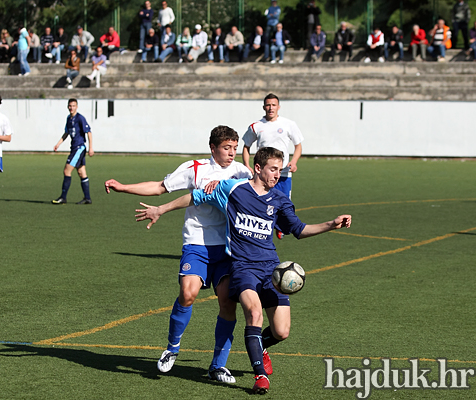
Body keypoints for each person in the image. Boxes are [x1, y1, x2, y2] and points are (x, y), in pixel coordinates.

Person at [134, 146, 352, 395]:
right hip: (242, 268)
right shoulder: (233, 189)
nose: (277, 176)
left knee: (281, 331)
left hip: (271, 269)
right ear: (258, 168)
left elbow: (299, 230)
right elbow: (195, 197)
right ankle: (260, 376)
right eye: (273, 170)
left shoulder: (280, 199)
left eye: (280, 170)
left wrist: (331, 224)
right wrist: (160, 209)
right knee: (254, 314)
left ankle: (261, 346)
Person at [104, 125, 253, 384]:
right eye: (226, 148)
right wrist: (124, 187)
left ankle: (218, 366)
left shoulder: (242, 172)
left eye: (235, 148)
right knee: (187, 293)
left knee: (227, 303)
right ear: (213, 148)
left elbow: (255, 193)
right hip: (196, 243)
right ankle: (172, 348)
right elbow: (161, 187)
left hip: (227, 247)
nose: (232, 153)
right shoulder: (195, 169)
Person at [242, 93, 303, 200]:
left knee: (283, 207)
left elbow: (298, 146)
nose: (271, 108)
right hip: (262, 175)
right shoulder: (256, 126)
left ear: (278, 107)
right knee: (261, 205)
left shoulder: (289, 124)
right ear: (264, 107)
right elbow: (246, 146)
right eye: (268, 105)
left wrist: (294, 162)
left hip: (283, 174)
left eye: (274, 105)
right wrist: (246, 165)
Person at [52, 98, 93, 205]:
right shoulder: (69, 119)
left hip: (79, 148)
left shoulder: (80, 118)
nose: (71, 108)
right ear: (68, 107)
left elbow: (88, 132)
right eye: (70, 106)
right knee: (81, 172)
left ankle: (63, 197)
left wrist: (91, 147)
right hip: (74, 148)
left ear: (77, 107)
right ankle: (87, 198)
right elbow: (66, 133)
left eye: (73, 106)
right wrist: (58, 144)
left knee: (67, 171)